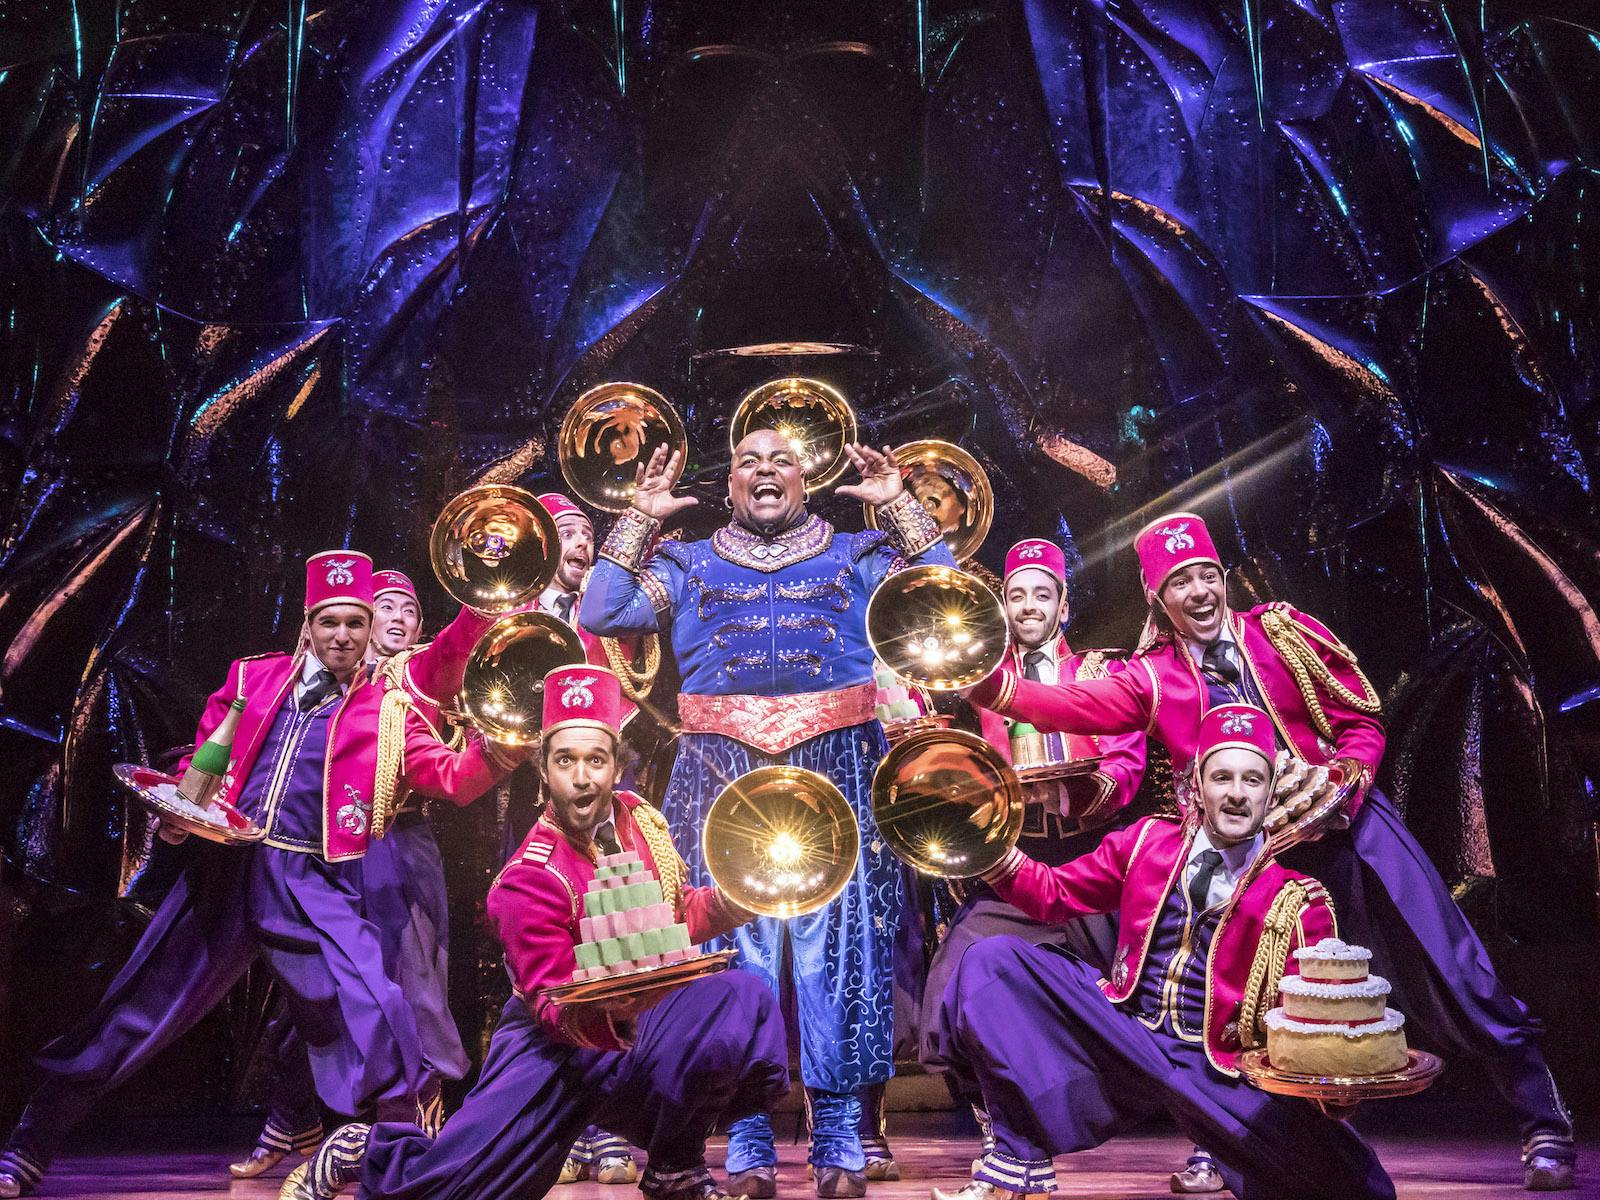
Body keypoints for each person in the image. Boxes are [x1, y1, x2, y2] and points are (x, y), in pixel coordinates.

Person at [965, 511, 1577, 1192]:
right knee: (1227, 997)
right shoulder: (1152, 678)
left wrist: (1342, 779)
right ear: (1156, 598)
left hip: (1352, 834)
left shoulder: (1280, 635)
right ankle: (1217, 1135)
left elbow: (1359, 721)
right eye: (1180, 582)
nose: (1199, 592)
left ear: (1223, 578)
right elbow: (1060, 705)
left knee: (1449, 967)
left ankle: (1541, 1116)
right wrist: (976, 681)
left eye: (1206, 575)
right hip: (1252, 862)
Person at [0, 553, 519, 1200]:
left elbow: (450, 777)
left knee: (382, 1011)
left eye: (355, 624)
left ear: (367, 631)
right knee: (140, 1010)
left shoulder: (387, 710)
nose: (343, 636)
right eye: (330, 622)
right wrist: (180, 814)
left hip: (315, 883)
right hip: (229, 871)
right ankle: (30, 1141)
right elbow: (204, 760)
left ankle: (401, 1162)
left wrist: (510, 744)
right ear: (308, 624)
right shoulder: (254, 677)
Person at [581, 434, 956, 1197]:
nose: (763, 471)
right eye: (748, 461)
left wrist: (899, 506)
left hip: (839, 766)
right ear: (730, 484)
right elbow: (602, 607)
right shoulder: (687, 563)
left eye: (780, 460)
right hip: (721, 771)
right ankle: (747, 1136)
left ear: (805, 479)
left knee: (841, 952)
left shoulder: (856, 554)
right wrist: (638, 516)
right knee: (730, 954)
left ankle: (840, 1136)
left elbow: (941, 592)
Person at [282, 664, 788, 1200]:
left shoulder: (639, 821)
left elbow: (670, 918)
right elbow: (552, 1004)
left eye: (596, 760)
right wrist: (619, 1009)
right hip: (555, 1050)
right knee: (451, 1190)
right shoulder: (528, 877)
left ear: (617, 767)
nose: (582, 777)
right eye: (565, 760)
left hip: (636, 1023)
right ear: (543, 772)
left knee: (737, 996)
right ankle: (361, 1150)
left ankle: (675, 1165)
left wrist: (730, 903)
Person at [926, 703, 1394, 1200]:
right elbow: (1053, 894)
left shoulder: (1297, 900)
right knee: (993, 963)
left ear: (1270, 790)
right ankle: (1015, 1167)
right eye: (1222, 778)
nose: (1237, 794)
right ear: (1198, 787)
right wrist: (986, 847)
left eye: (1252, 780)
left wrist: (1334, 1092)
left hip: (1217, 1068)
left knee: (1356, 1186)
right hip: (1125, 1029)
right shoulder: (1148, 842)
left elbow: (1310, 1029)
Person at [231, 568, 475, 1181]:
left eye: (407, 611)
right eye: (383, 607)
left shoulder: (414, 679)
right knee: (328, 990)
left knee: (409, 988)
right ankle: (295, 1115)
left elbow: (456, 649)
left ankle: (416, 1128)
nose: (396, 618)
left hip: (397, 847)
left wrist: (489, 596)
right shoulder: (320, 684)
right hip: (326, 853)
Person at [915, 538, 1147, 1175]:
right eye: (1016, 596)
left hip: (1090, 866)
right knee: (956, 984)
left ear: (1063, 605)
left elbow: (1128, 764)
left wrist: (1074, 793)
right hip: (1013, 869)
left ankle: (1204, 1135)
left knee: (1141, 997)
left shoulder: (1100, 673)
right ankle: (1005, 1134)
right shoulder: (976, 685)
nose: (1028, 607)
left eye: (1042, 595)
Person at [532, 493, 646, 1186]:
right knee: (546, 963)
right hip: (526, 802)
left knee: (613, 944)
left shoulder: (609, 613)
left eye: (585, 533)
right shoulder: (512, 617)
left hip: (603, 795)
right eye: (565, 533)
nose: (579, 544)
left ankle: (609, 1123)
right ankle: (561, 1124)